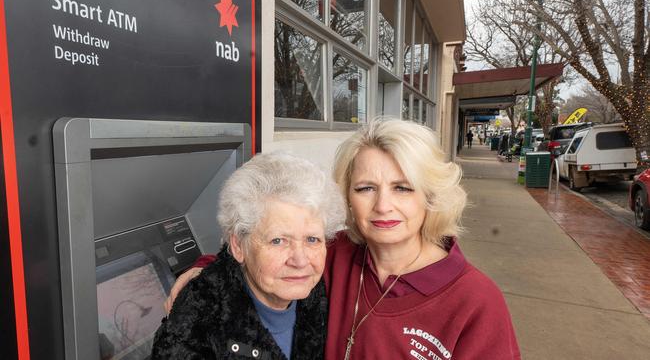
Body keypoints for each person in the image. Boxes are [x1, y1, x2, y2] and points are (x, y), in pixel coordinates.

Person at [166, 119, 521, 359]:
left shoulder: (475, 302)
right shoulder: (334, 253)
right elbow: (264, 242)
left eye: (402, 188)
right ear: (347, 197)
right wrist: (204, 270)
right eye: (366, 188)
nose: (383, 206)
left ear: (429, 196)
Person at [151, 152, 346, 359]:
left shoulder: (321, 293)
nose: (300, 260)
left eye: (312, 239)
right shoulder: (194, 327)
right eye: (278, 240)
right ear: (238, 246)